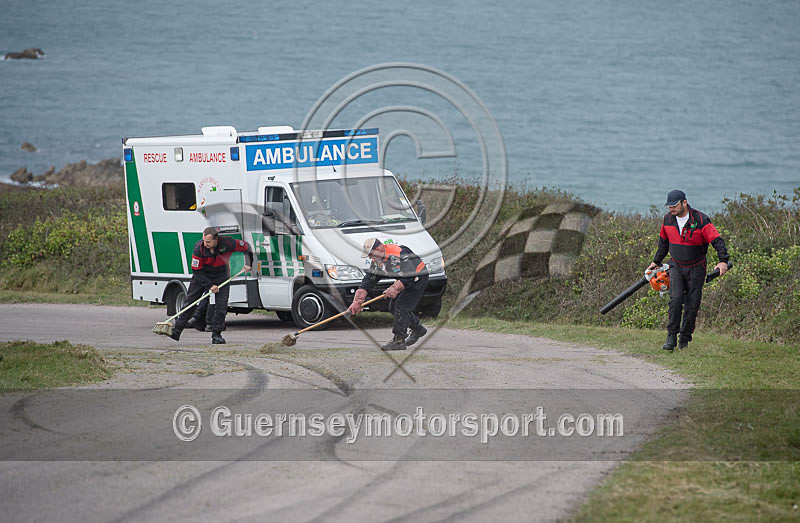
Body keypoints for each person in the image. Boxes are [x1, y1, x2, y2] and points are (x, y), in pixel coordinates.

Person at [648, 190, 729, 351]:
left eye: (674, 205)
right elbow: (663, 243)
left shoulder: (701, 219)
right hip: (676, 266)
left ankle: (684, 339)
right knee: (676, 300)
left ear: (684, 203)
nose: (671, 209)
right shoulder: (667, 220)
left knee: (692, 306)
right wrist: (655, 262)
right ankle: (671, 337)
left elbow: (716, 240)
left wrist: (723, 262)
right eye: (669, 206)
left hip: (696, 267)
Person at [169, 227, 253, 344]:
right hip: (202, 275)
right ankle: (176, 331)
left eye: (208, 242)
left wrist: (249, 264)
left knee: (221, 306)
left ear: (216, 240)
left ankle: (216, 335)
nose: (205, 244)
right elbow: (196, 270)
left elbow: (247, 247)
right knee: (190, 302)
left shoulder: (228, 243)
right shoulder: (199, 249)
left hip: (221, 275)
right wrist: (210, 285)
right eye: (204, 241)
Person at [348, 238, 429, 351]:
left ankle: (399, 340)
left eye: (370, 254)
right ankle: (418, 329)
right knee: (392, 308)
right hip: (404, 278)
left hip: (418, 278)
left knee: (401, 307)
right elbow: (369, 280)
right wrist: (358, 300)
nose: (370, 258)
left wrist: (395, 288)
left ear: (378, 249)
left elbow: (411, 275)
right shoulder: (378, 260)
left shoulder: (398, 253)